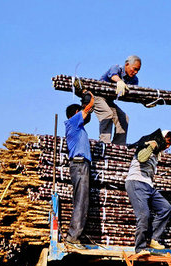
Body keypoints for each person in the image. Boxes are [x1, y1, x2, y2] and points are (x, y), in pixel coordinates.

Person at [125, 129, 171, 253]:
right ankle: (140, 248)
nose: (167, 146)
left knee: (166, 208)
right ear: (162, 138)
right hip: (136, 182)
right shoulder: (148, 144)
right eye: (167, 142)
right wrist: (151, 147)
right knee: (144, 215)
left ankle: (153, 238)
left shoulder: (157, 153)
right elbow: (142, 158)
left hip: (148, 185)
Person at [63, 90, 95, 247]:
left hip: (82, 165)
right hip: (79, 164)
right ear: (76, 113)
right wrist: (89, 93)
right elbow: (89, 107)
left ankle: (74, 236)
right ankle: (73, 237)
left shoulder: (79, 128)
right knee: (81, 201)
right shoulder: (73, 122)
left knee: (82, 201)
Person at [94, 55, 141, 145]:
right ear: (127, 64)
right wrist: (119, 81)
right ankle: (104, 142)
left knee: (124, 118)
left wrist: (145, 102)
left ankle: (119, 144)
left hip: (109, 101)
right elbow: (113, 75)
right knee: (107, 114)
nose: (135, 72)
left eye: (138, 70)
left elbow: (135, 94)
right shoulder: (116, 68)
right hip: (97, 97)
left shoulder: (134, 79)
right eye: (134, 69)